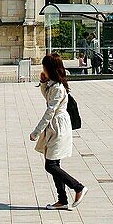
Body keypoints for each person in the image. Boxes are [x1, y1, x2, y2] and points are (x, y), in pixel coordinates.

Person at [30, 53, 87, 211]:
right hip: (55, 126)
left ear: (50, 68)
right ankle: (62, 200)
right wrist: (43, 82)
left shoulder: (58, 88)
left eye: (44, 67)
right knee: (54, 162)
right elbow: (48, 99)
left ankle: (78, 187)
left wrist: (36, 132)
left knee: (51, 165)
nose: (42, 69)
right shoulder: (54, 85)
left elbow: (50, 111)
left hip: (58, 127)